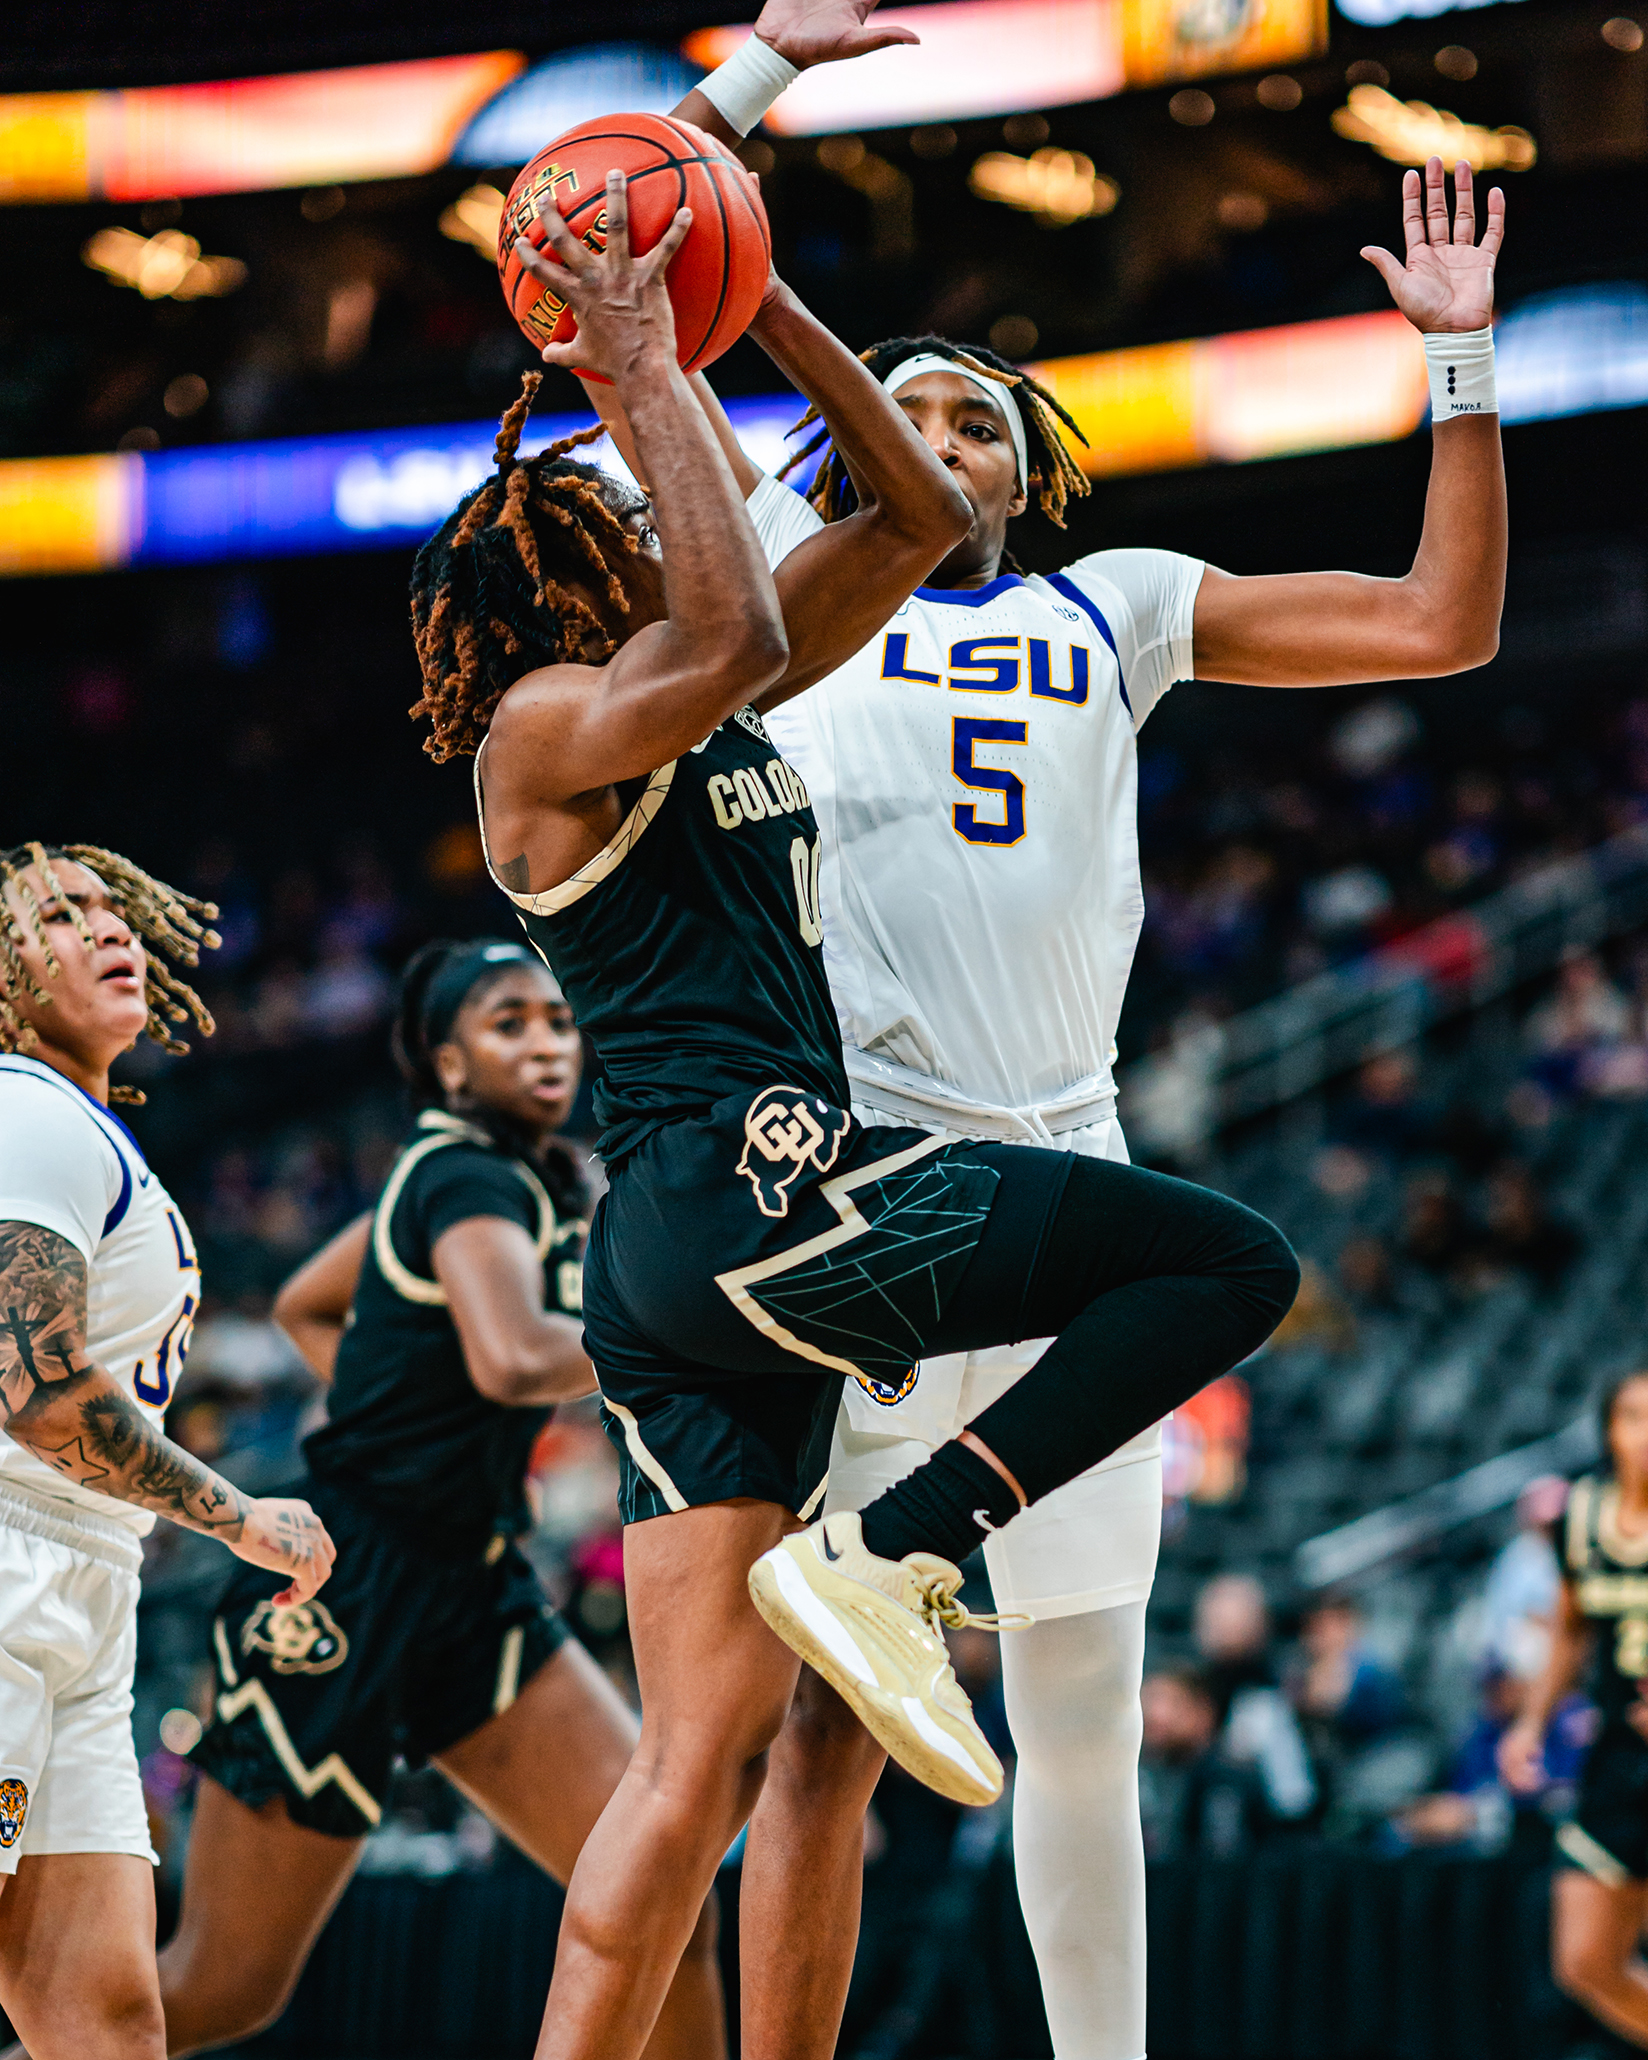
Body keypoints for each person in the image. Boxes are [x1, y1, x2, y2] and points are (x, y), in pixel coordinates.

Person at [626, 27, 1507, 2049]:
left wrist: (1451, 370)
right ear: (848, 453)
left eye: (976, 414)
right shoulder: (767, 590)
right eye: (905, 405)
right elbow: (640, 263)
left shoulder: (1117, 602)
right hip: (863, 1190)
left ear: (1028, 470)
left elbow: (1434, 623)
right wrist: (750, 75)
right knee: (822, 1751)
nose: (939, 426)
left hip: (1067, 1162)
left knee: (1077, 1718)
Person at [415, 142, 1296, 2060]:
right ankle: (908, 1552)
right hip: (757, 1204)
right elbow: (731, 620)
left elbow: (889, 522)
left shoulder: (694, 699)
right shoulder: (553, 730)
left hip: (672, 1263)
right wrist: (642, 375)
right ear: (565, 580)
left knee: (699, 1751)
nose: (652, 530)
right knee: (1225, 1266)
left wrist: (733, 259)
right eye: (612, 527)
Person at [155, 939, 724, 2060]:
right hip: (343, 1585)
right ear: (449, 1063)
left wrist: (392, 1396)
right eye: (510, 1021)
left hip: (469, 1582)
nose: (549, 1041)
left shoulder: (525, 1174)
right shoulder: (462, 1171)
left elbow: (315, 1303)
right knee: (221, 1987)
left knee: (669, 1897)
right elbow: (514, 1358)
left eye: (560, 1018)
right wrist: (694, 1339)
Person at [0, 843, 334, 2060]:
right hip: (13, 1552)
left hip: (85, 1572)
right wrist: (241, 1516)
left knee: (108, 2011)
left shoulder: (76, 1123)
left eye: (113, 909)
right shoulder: (21, 1106)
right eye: (60, 916)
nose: (107, 928)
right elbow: (37, 1393)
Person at [1501, 1371, 1648, 2049]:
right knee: (1585, 1961)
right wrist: (1530, 1724)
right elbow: (1570, 1630)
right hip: (1619, 1760)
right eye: (1630, 1417)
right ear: (1608, 1430)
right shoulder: (1582, 1518)